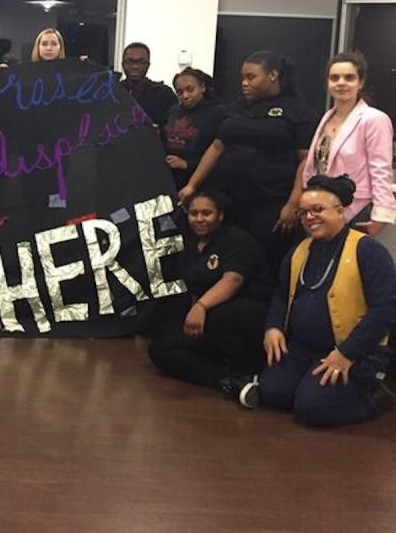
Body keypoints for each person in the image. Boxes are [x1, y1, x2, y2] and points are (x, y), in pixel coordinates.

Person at [255, 175, 396, 426]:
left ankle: (375, 398)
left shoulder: (368, 251)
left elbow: (385, 310)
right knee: (272, 393)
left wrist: (346, 353)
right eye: (303, 213)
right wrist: (273, 327)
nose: (309, 217)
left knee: (311, 410)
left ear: (340, 211)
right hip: (302, 348)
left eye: (317, 210)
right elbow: (281, 294)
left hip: (351, 352)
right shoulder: (299, 250)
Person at [179, 51, 317, 270]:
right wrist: (192, 185)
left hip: (270, 203)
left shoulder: (297, 111)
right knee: (226, 259)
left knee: (264, 261)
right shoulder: (235, 108)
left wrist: (293, 204)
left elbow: (306, 161)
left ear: (272, 75)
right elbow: (216, 147)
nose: (244, 83)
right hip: (229, 200)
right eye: (243, 78)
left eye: (251, 77)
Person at [148, 189, 274, 403]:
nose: (199, 219)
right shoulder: (191, 244)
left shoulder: (237, 240)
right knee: (160, 349)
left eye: (206, 213)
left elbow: (232, 280)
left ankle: (248, 368)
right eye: (194, 213)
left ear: (220, 215)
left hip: (246, 315)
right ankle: (227, 381)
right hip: (211, 319)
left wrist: (200, 307)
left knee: (220, 316)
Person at [302, 52, 395, 237]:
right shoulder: (327, 118)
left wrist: (381, 216)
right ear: (328, 83)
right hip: (322, 208)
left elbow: (381, 169)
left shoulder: (374, 119)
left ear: (360, 83)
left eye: (349, 77)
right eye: (334, 78)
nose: (341, 83)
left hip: (356, 209)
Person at [162, 67, 225, 190]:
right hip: (171, 178)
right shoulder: (173, 111)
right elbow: (163, 139)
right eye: (179, 92)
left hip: (202, 181)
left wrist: (187, 164)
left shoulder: (218, 112)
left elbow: (220, 151)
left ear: (202, 87)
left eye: (190, 90)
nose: (185, 96)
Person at [120, 42, 176, 127]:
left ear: (148, 65)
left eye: (141, 62)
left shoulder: (164, 94)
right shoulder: (114, 91)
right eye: (129, 62)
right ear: (123, 64)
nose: (135, 66)